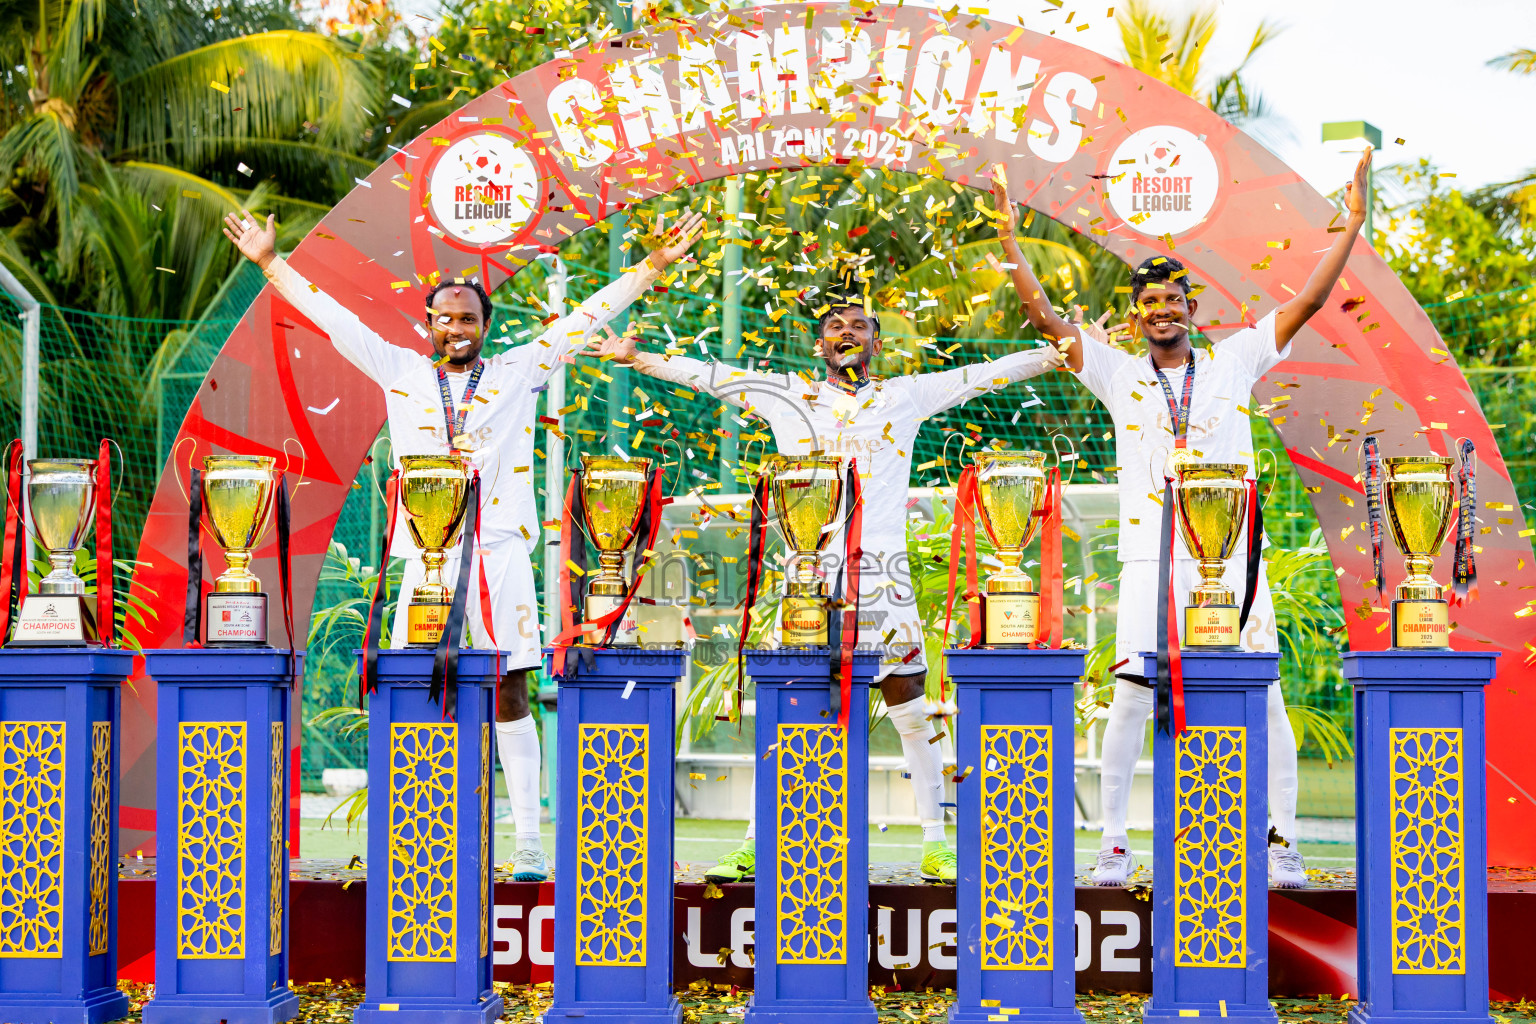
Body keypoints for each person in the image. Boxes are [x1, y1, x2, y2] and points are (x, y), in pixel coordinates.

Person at [222, 207, 706, 881]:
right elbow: (333, 319)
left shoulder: (515, 371)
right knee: (413, 683)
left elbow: (583, 319)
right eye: (445, 318)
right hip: (427, 555)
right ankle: (422, 839)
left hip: (499, 550)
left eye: (468, 318)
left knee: (511, 685)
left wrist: (650, 267)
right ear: (429, 325)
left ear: (485, 326)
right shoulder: (397, 367)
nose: (456, 328)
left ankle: (531, 843)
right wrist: (271, 263)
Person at [993, 148, 1374, 889]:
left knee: (1263, 691)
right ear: (1136, 315)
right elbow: (1042, 316)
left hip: (1230, 560)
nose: (1161, 312)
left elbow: (1308, 302)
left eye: (1172, 301)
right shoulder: (1116, 372)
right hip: (1148, 561)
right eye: (1149, 304)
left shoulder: (1234, 361)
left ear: (1190, 308)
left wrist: (1351, 224)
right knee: (1133, 692)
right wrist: (1012, 241)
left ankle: (1280, 842)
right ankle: (1111, 844)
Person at [590, 296, 1062, 883]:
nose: (847, 332)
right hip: (807, 576)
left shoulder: (904, 397)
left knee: (908, 699)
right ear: (819, 346)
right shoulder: (787, 395)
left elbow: (982, 376)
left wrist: (1059, 351)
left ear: (876, 344)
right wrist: (639, 358)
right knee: (792, 699)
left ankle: (936, 843)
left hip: (882, 569)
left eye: (860, 325)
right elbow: (711, 377)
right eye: (835, 326)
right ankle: (758, 840)